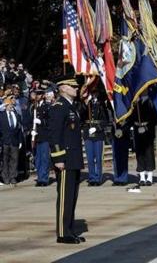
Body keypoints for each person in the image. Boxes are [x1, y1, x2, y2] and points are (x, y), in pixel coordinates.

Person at [49, 74, 85, 244]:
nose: (76, 89)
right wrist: (58, 158)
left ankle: (70, 229)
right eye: (73, 86)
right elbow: (54, 135)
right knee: (65, 196)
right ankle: (63, 233)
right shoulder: (59, 107)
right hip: (64, 158)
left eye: (76, 87)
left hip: (74, 157)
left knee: (72, 196)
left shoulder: (71, 107)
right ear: (62, 88)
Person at [81, 89, 108, 186]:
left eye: (94, 92)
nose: (93, 94)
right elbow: (81, 115)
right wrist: (85, 103)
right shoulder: (86, 104)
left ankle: (98, 178)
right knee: (90, 158)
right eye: (91, 92)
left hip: (98, 134)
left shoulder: (102, 104)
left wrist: (97, 128)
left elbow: (106, 121)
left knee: (98, 157)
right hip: (88, 133)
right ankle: (92, 177)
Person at [133, 94, 156, 186]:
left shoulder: (151, 102)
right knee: (139, 154)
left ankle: (149, 177)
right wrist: (136, 126)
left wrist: (146, 127)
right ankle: (142, 177)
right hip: (137, 130)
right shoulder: (135, 103)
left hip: (148, 131)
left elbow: (154, 118)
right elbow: (131, 117)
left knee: (149, 154)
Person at [0, 95, 24, 185]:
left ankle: (13, 177)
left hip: (15, 141)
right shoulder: (1, 116)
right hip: (4, 141)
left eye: (12, 105)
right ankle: (5, 177)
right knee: (5, 160)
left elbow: (19, 129)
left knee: (14, 159)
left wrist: (20, 140)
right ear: (5, 106)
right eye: (9, 105)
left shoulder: (16, 115)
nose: (11, 107)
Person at [32, 85, 52, 186]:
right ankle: (40, 177)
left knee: (44, 158)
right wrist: (32, 131)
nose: (38, 95)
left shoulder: (47, 106)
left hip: (45, 136)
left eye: (40, 94)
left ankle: (44, 179)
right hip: (37, 136)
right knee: (38, 158)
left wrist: (41, 121)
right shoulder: (34, 106)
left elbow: (50, 121)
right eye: (36, 94)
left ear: (43, 95)